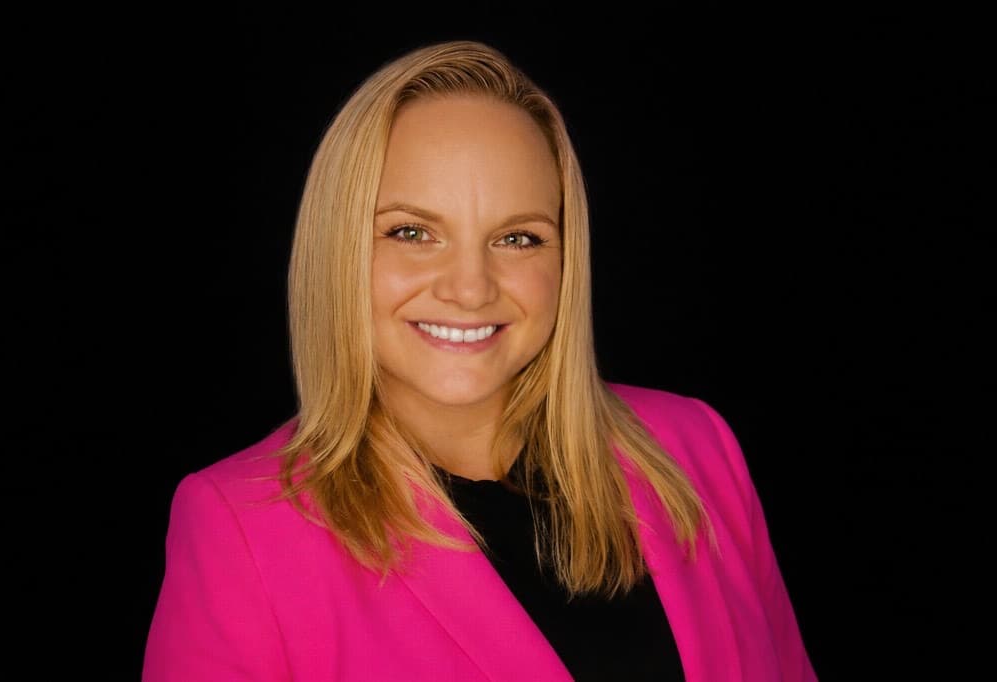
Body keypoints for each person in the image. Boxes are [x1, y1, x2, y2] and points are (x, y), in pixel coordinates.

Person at [143, 40, 817, 681]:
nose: (470, 288)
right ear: (340, 248)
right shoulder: (240, 530)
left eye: (519, 237)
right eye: (412, 232)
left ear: (565, 260)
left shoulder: (697, 450)